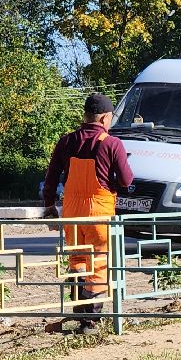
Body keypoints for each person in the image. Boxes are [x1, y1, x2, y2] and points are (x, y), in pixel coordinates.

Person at [41, 93, 133, 332]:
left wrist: (50, 206)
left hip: (71, 211)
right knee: (99, 263)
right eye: (110, 118)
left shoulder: (66, 141)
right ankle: (90, 321)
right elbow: (125, 180)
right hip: (98, 212)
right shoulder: (111, 143)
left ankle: (79, 310)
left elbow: (51, 178)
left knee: (77, 261)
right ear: (104, 118)